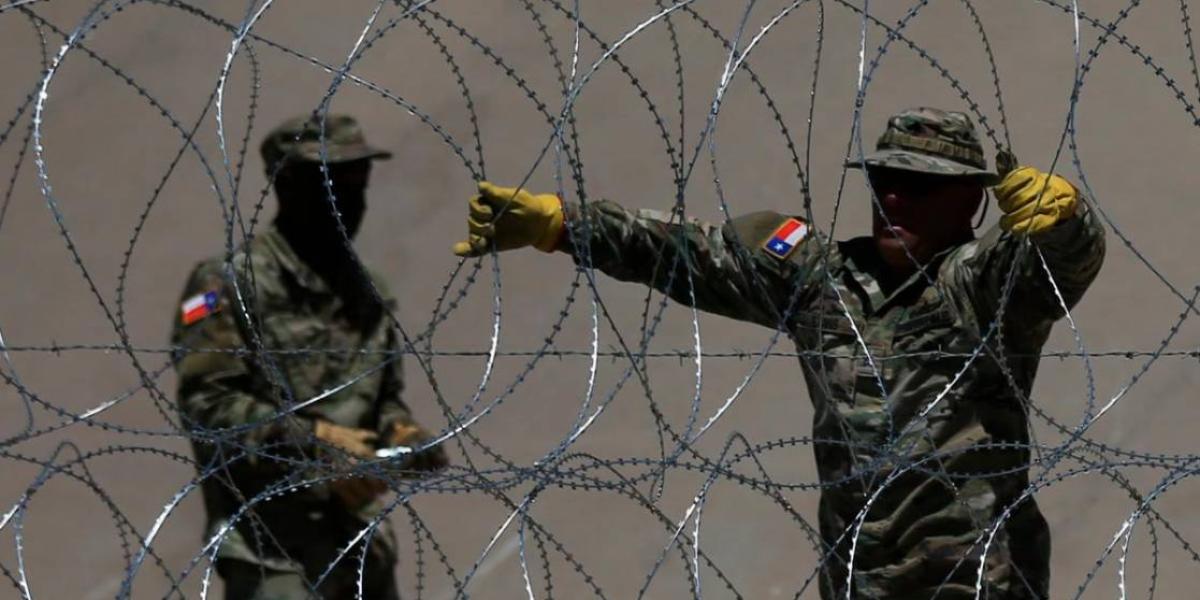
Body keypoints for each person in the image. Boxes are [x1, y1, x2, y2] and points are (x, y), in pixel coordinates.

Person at [452, 107, 1105, 599]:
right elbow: (687, 253)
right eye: (885, 180)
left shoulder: (986, 284)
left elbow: (1062, 262)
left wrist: (1066, 218)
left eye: (918, 185)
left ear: (971, 199)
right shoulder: (823, 280)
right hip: (859, 576)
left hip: (977, 576)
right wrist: (562, 224)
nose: (894, 198)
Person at [172, 113, 447, 600]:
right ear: (289, 187)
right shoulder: (229, 285)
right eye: (332, 185)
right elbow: (208, 406)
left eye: (358, 182)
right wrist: (315, 443)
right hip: (274, 552)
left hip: (360, 545)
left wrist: (402, 435)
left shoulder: (366, 292)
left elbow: (383, 398)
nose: (350, 200)